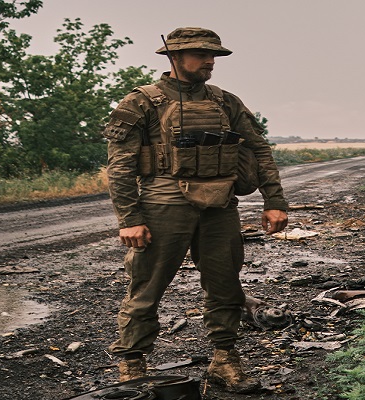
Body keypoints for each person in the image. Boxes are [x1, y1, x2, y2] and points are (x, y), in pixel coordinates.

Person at [99, 27, 288, 393]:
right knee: (146, 289)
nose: (210, 62)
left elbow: (259, 149)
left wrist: (274, 200)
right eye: (202, 54)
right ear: (175, 57)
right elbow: (120, 166)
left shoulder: (225, 102)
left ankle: (224, 361)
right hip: (162, 205)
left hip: (220, 206)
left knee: (226, 286)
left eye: (213, 55)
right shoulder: (140, 102)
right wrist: (130, 219)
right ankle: (133, 367)